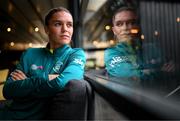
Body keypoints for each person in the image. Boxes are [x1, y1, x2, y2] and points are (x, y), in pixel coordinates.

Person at [0, 7, 94, 120]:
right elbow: (8, 90)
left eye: (69, 25)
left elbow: (65, 81)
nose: (65, 29)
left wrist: (26, 83)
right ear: (47, 29)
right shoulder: (30, 53)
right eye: (58, 24)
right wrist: (51, 79)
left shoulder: (76, 54)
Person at [104, 7, 142, 83]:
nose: (125, 28)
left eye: (132, 23)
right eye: (119, 24)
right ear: (114, 30)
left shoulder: (152, 49)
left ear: (138, 26)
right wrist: (158, 71)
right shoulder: (111, 53)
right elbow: (129, 76)